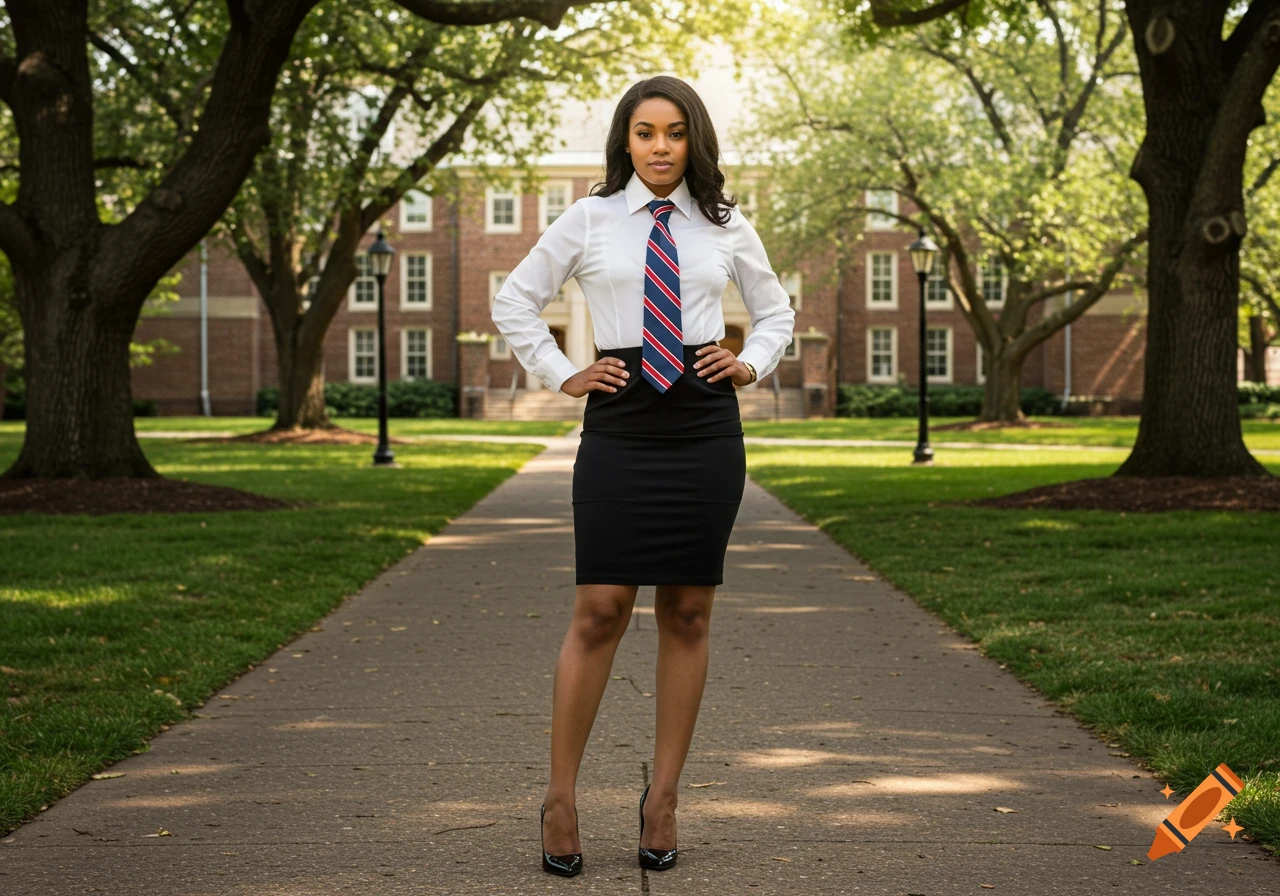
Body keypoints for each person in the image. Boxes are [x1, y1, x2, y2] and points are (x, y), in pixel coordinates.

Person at [490, 75, 795, 877]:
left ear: (694, 141)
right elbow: (516, 299)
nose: (659, 147)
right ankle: (560, 797)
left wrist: (750, 361)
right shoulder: (589, 218)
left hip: (704, 422)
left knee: (688, 610)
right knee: (601, 606)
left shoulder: (725, 226)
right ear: (624, 141)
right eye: (644, 132)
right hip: (621, 421)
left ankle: (663, 797)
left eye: (674, 132)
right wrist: (563, 371)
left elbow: (777, 312)